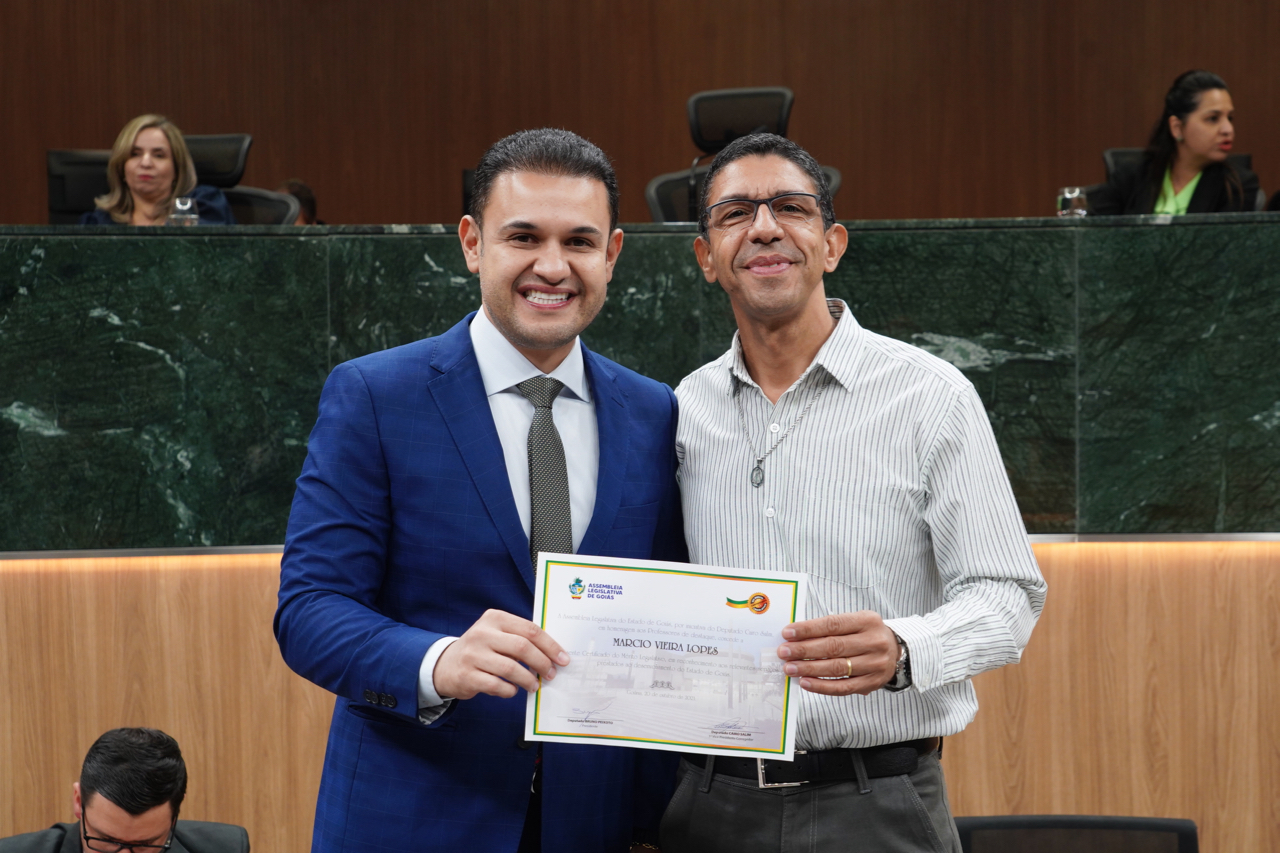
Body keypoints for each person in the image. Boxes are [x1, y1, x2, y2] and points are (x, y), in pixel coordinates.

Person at [275, 128, 685, 853]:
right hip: (412, 817)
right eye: (523, 237)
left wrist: (654, 822)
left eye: (579, 242)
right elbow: (310, 610)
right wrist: (438, 662)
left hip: (591, 822)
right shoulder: (376, 396)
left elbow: (664, 617)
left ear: (613, 254)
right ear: (472, 243)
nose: (552, 266)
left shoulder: (654, 412)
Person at [660, 133, 1047, 853]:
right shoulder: (683, 410)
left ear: (832, 244)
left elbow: (1008, 595)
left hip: (877, 805)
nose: (764, 227)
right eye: (736, 213)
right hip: (712, 805)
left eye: (791, 207)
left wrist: (904, 647)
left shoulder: (931, 397)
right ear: (706, 258)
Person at [0, 727, 248, 853]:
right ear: (78, 801)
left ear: (175, 814)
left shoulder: (224, 848)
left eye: (145, 845)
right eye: (106, 841)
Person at [1091, 70, 1260, 215]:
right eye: (1213, 118)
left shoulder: (1237, 186)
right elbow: (1095, 234)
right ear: (1177, 127)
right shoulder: (1130, 176)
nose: (1228, 129)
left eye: (1230, 118)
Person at [80, 115, 235, 226]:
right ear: (121, 167)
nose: (146, 163)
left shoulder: (205, 207)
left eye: (159, 155)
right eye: (135, 154)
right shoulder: (98, 223)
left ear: (177, 168)